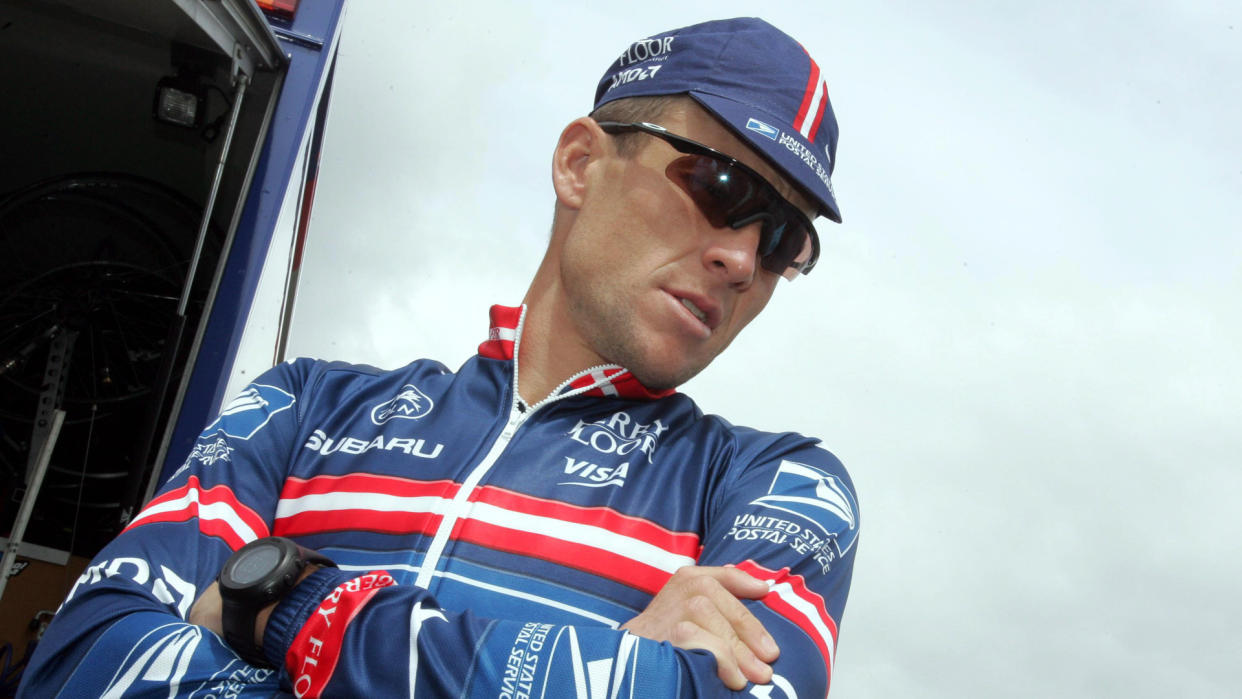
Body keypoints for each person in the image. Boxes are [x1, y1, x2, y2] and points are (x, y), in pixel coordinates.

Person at [20, 16, 859, 698]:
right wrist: (607, 666)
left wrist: (287, 605)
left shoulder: (779, 483)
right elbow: (78, 662)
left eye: (783, 239)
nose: (743, 261)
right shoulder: (307, 406)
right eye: (722, 187)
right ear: (580, 163)